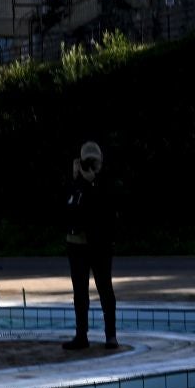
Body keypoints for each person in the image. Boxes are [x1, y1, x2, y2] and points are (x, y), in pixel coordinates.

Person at [63, 140, 118, 350]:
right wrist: (77, 180)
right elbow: (68, 207)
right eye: (87, 161)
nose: (90, 165)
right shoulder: (75, 183)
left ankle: (111, 335)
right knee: (80, 292)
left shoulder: (105, 183)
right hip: (77, 245)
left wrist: (91, 183)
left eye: (94, 162)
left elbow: (106, 209)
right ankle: (81, 335)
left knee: (105, 289)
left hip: (100, 245)